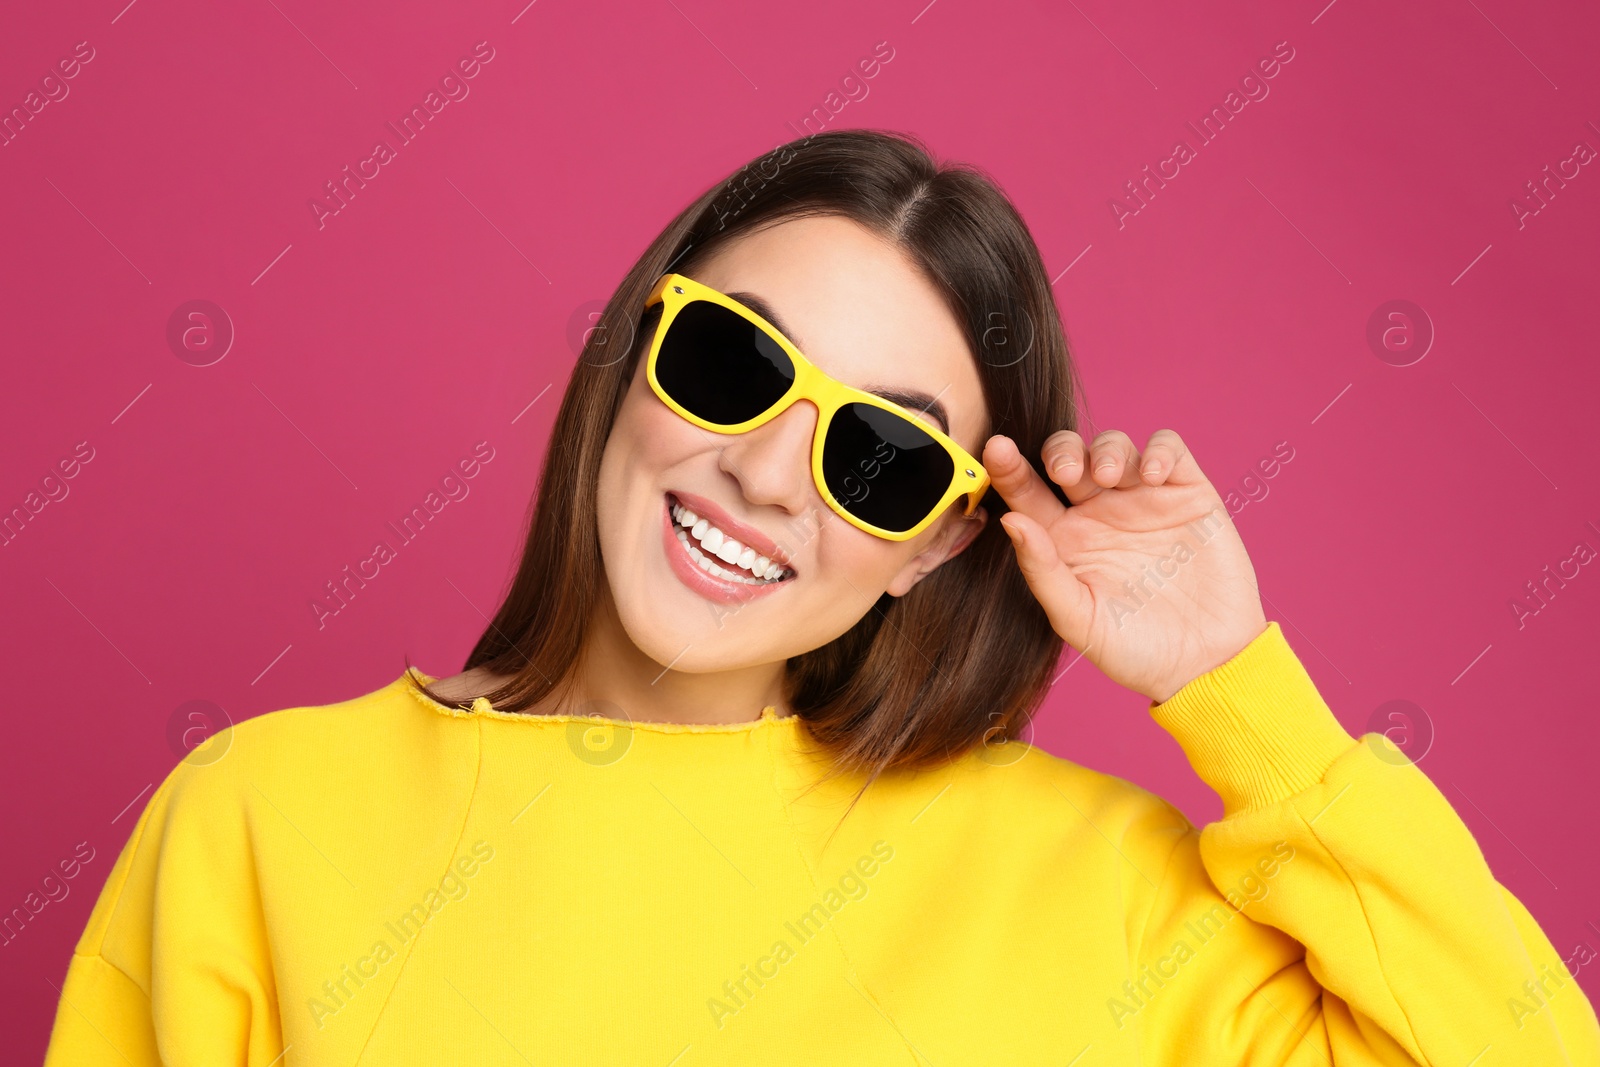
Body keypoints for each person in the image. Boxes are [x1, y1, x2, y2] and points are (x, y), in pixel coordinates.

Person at [43, 129, 1600, 1065]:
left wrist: (1237, 684)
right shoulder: (259, 817)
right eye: (733, 363)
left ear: (935, 539)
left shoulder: (1091, 885)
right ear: (632, 348)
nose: (771, 475)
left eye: (876, 455)